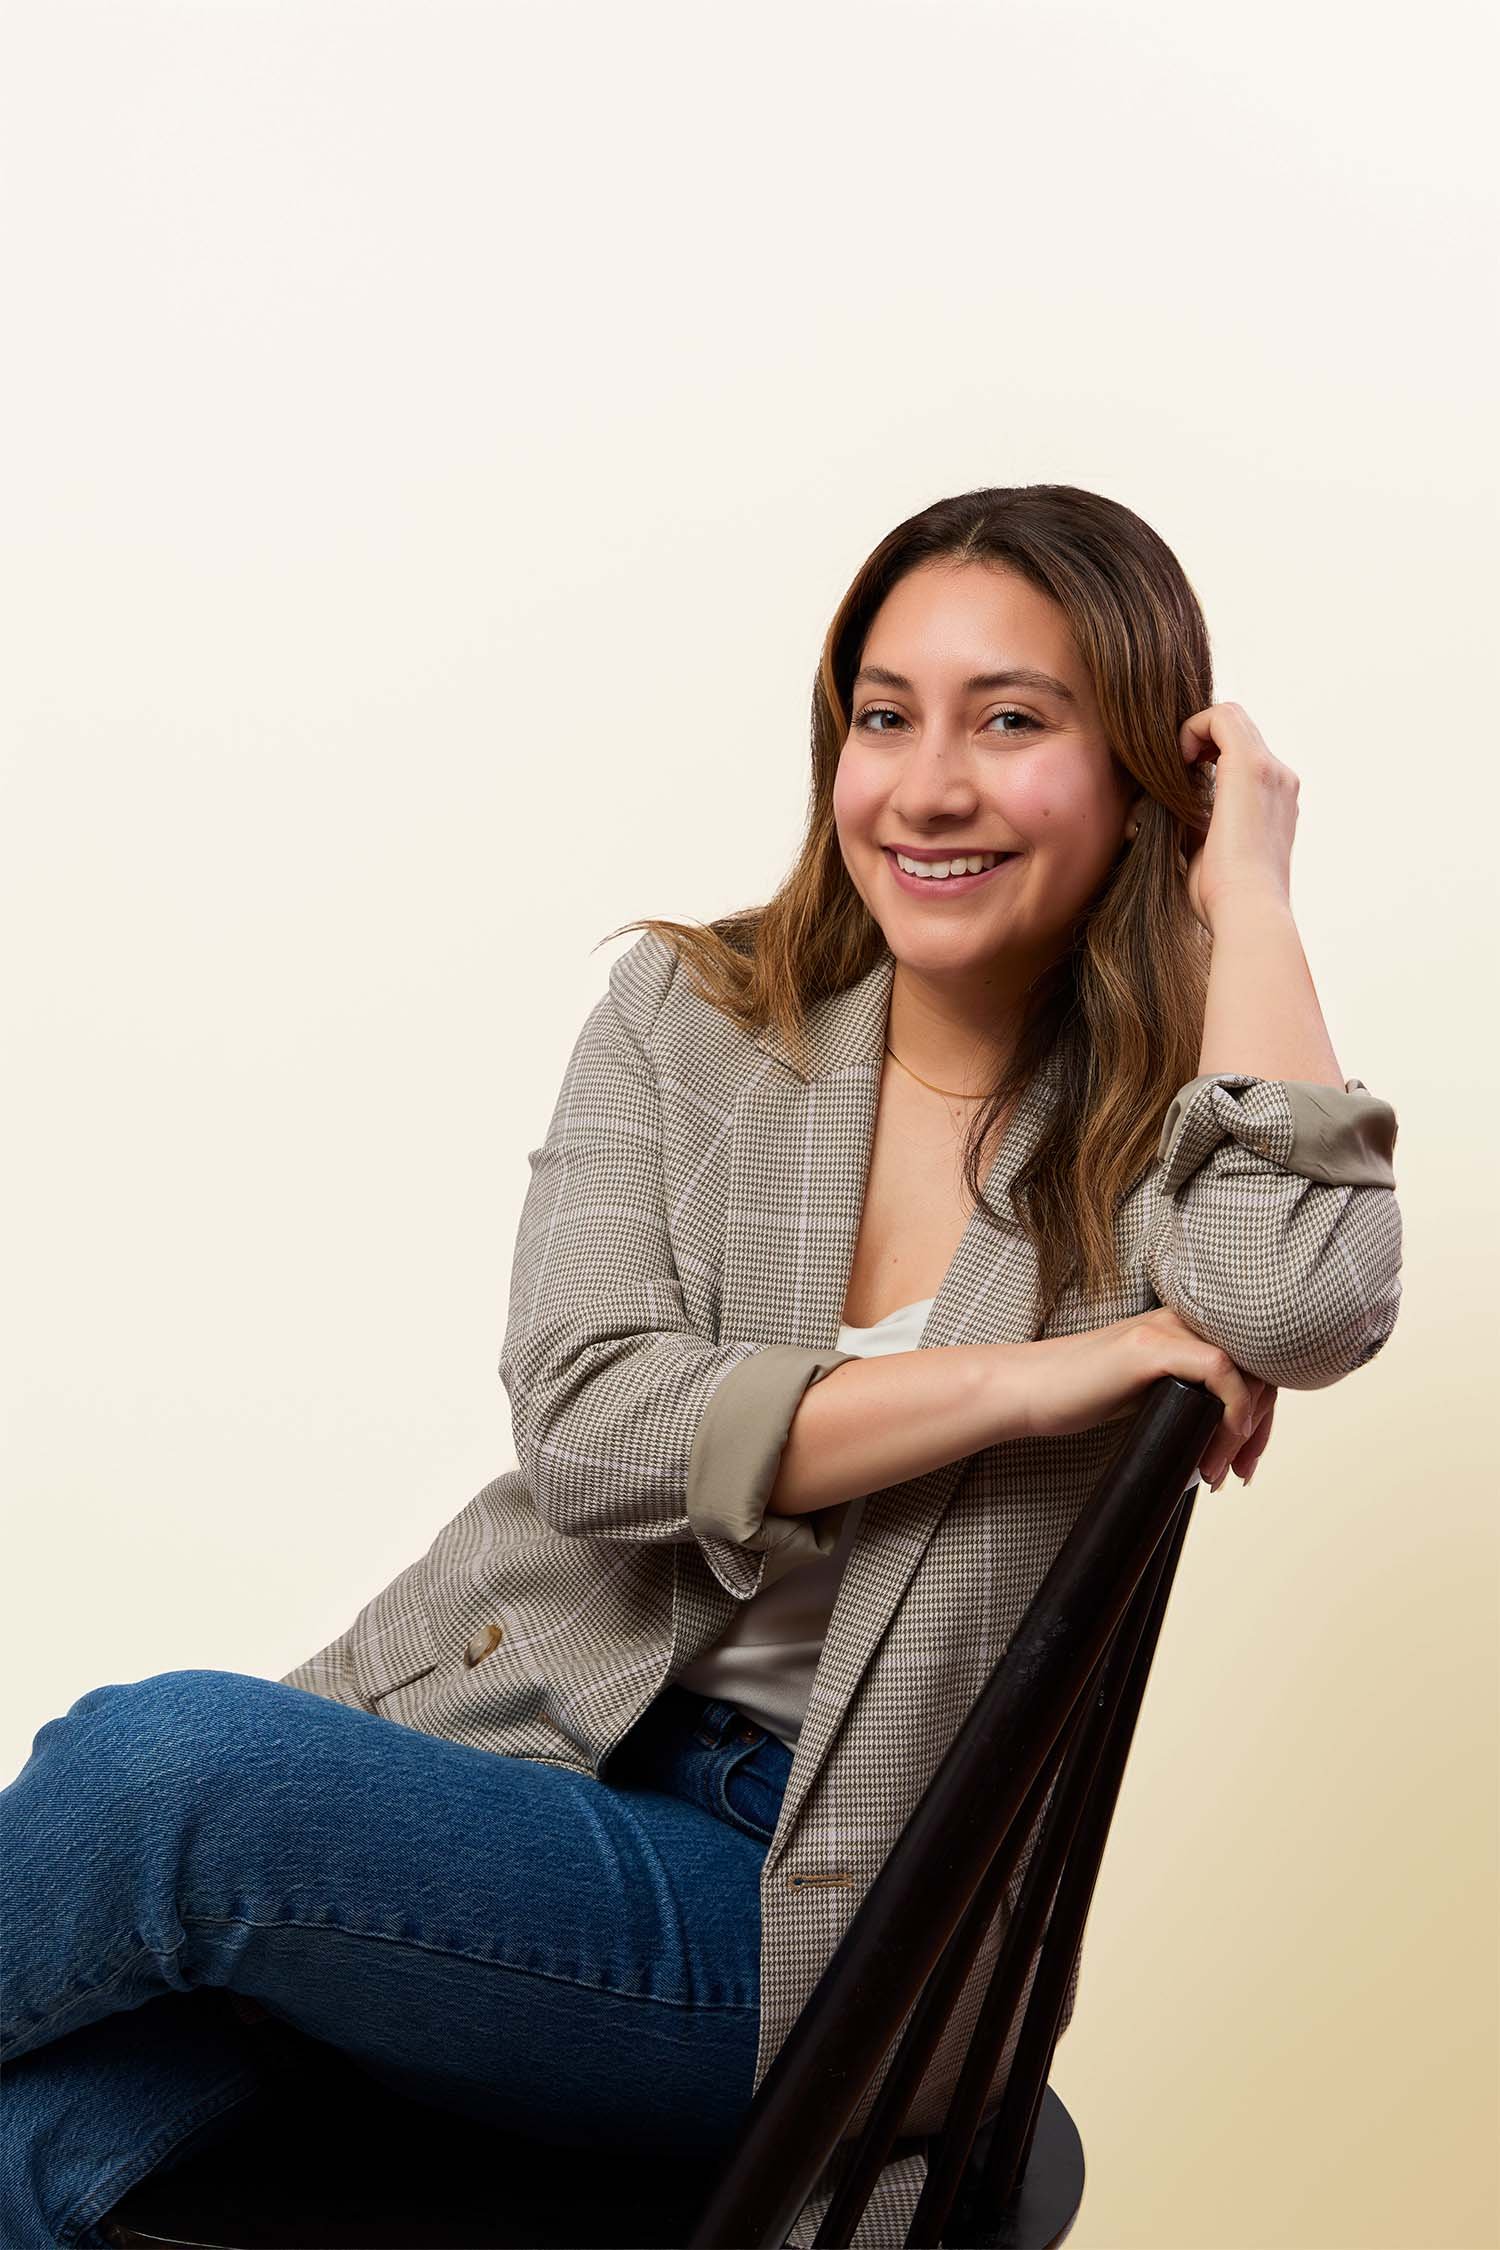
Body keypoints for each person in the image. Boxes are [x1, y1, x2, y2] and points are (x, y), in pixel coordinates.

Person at [0, 484, 1403, 2249]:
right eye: (884, 717)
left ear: (1142, 776)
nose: (931, 782)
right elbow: (590, 1414)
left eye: (1014, 720)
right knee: (33, 2121)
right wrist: (1039, 1379)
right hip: (508, 1764)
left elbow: (1295, 1301)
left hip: (815, 1924)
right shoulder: (697, 1021)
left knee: (163, 1772)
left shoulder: (1162, 1146)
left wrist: (1249, 886)